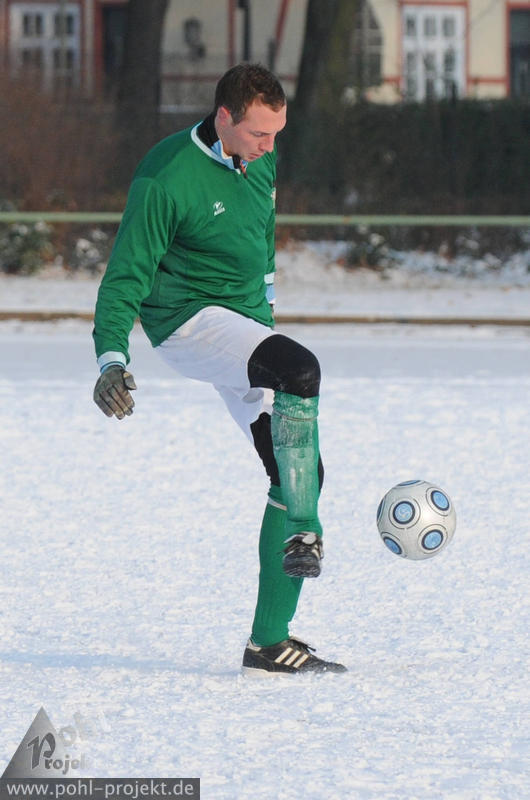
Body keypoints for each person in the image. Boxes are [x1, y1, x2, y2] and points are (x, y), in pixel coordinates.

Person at [92, 63, 346, 675]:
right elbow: (124, 276)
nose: (269, 146)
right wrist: (111, 358)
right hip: (188, 323)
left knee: (300, 471)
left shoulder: (260, 159)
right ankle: (305, 531)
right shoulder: (165, 176)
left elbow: (261, 244)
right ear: (225, 116)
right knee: (302, 370)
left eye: (277, 134)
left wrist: (267, 323)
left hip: (247, 328)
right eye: (259, 133)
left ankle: (268, 643)